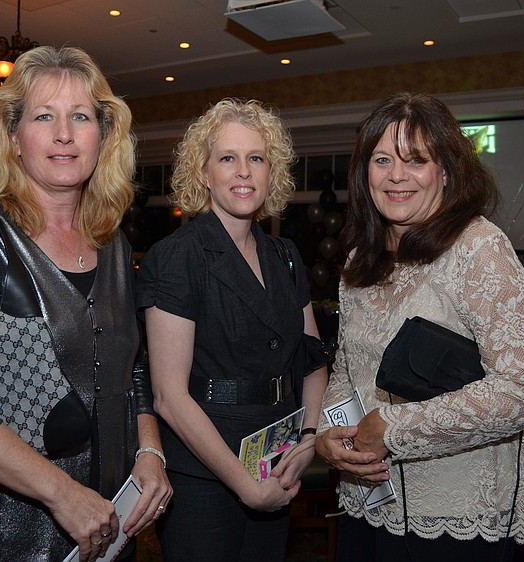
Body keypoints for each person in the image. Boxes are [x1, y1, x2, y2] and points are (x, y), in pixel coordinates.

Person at [0, 46, 171, 562]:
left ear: (104, 135)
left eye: (81, 117)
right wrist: (61, 493)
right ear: (13, 138)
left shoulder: (111, 241)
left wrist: (151, 450)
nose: (64, 134)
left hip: (108, 524)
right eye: (44, 116)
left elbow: (130, 366)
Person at [314, 92, 524, 562]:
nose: (396, 176)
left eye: (416, 160)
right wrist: (332, 437)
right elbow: (348, 372)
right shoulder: (357, 262)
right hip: (367, 504)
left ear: (445, 171)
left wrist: (391, 428)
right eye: (382, 159)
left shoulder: (478, 248)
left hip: (456, 515)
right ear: (364, 172)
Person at [135, 98, 328, 562]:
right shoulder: (177, 256)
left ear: (271, 171)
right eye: (228, 158)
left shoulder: (284, 255)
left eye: (255, 158)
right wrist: (246, 486)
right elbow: (169, 397)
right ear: (204, 173)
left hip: (278, 460)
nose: (243, 172)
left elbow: (312, 359)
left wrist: (308, 438)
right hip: (206, 474)